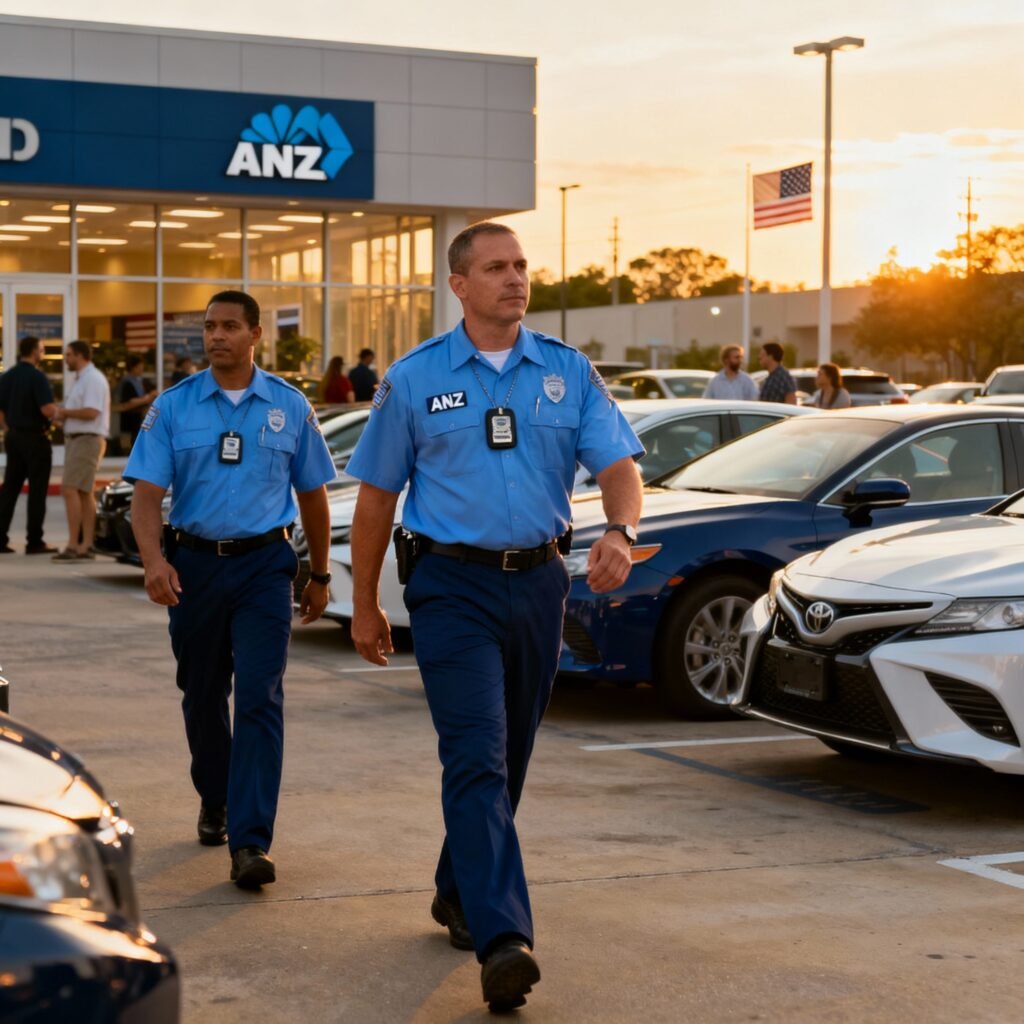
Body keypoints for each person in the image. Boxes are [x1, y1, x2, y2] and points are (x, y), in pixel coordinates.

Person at [347, 222, 644, 1013]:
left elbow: (618, 465)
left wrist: (620, 528)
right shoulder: (413, 381)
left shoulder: (567, 372)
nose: (515, 279)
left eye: (520, 265)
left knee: (509, 755)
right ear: (461, 286)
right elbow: (375, 498)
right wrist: (366, 601)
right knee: (475, 753)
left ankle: (457, 890)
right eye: (496, 268)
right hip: (450, 586)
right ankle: (503, 937)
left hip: (540, 583)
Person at [125, 290, 335, 891]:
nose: (216, 336)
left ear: (255, 334)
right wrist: (153, 561)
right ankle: (214, 797)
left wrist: (317, 574)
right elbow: (145, 495)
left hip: (264, 566)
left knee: (261, 698)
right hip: (194, 567)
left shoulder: (290, 407)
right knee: (201, 692)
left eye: (229, 326)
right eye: (209, 327)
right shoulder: (174, 407)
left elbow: (314, 495)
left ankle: (250, 841)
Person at [51, 341, 111, 561]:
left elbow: (92, 412)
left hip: (87, 439)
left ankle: (75, 545)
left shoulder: (92, 379)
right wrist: (62, 418)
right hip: (79, 438)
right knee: (84, 492)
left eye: (68, 355)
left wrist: (63, 412)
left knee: (70, 488)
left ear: (81, 355)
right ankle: (85, 545)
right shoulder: (81, 380)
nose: (66, 359)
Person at [0, 336, 58, 555]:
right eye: (42, 350)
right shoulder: (37, 377)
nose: (42, 354)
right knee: (37, 491)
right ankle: (34, 541)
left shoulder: (8, 376)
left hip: (14, 438)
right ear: (34, 352)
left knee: (10, 489)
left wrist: (8, 429)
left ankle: (0, 537)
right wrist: (58, 416)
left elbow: (1, 410)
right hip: (35, 438)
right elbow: (46, 409)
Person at [114, 354, 156, 447]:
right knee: (129, 445)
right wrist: (146, 399)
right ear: (133, 367)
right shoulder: (127, 382)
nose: (141, 369)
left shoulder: (140, 381)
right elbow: (129, 402)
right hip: (129, 421)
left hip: (138, 420)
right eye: (139, 367)